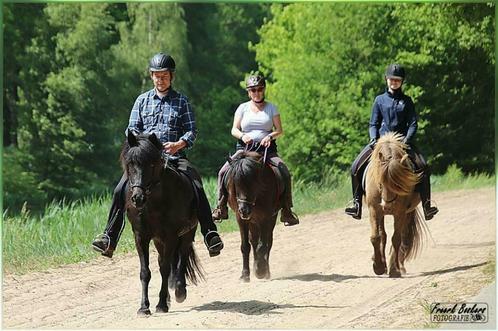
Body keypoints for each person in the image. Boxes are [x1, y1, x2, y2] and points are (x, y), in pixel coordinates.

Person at [92, 52, 224, 258]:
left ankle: (210, 233)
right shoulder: (142, 101)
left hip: (174, 157)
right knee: (120, 189)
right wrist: (144, 146)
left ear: (171, 76)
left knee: (196, 184)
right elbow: (131, 129)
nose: (160, 80)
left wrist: (180, 143)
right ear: (152, 76)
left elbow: (191, 130)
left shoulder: (181, 101)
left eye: (164, 76)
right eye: (156, 76)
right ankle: (109, 237)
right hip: (145, 162)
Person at [345, 64, 439, 221]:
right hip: (381, 143)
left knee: (423, 166)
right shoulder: (379, 100)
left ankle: (427, 205)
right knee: (355, 166)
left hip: (402, 143)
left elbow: (413, 123)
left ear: (402, 82)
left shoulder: (407, 101)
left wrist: (407, 140)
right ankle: (356, 204)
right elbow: (373, 123)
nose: (394, 82)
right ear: (386, 80)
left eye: (397, 80)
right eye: (391, 79)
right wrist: (374, 139)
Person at [211, 74, 299, 226]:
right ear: (248, 92)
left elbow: (279, 130)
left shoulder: (271, 108)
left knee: (284, 171)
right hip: (244, 149)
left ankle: (286, 210)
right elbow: (234, 129)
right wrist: (242, 135)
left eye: (259, 89)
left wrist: (270, 137)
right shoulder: (242, 108)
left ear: (264, 90)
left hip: (266, 150)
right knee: (223, 172)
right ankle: (220, 207)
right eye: (253, 90)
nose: (256, 92)